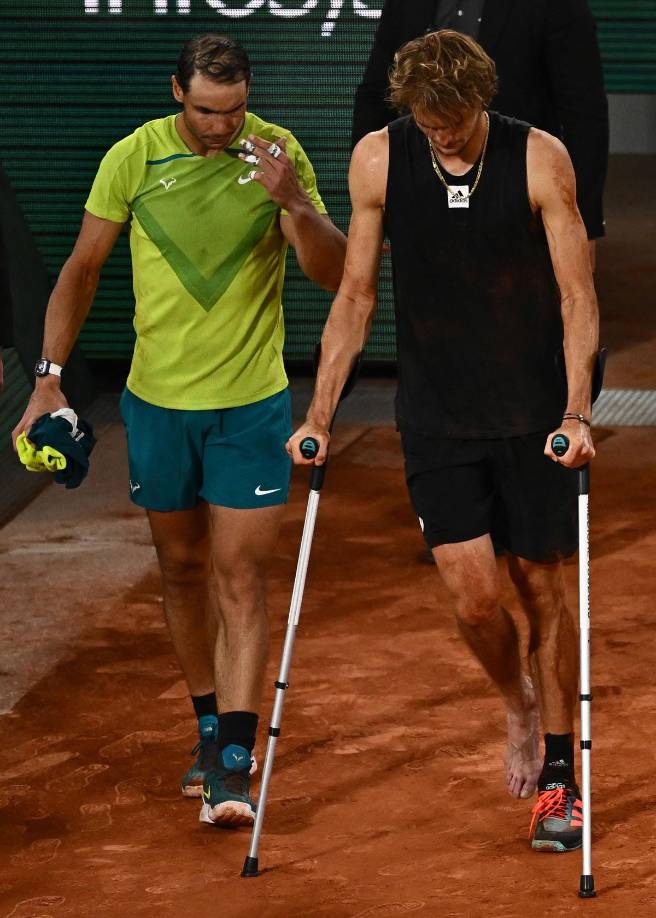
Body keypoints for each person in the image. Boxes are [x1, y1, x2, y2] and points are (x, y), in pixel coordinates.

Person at [12, 34, 346, 829]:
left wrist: (293, 200)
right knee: (183, 569)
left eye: (233, 110)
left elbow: (333, 273)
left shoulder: (279, 152)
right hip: (157, 407)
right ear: (177, 93)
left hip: (251, 405)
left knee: (239, 573)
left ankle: (235, 756)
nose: (221, 125)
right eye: (205, 110)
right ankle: (205, 726)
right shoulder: (132, 159)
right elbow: (82, 269)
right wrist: (48, 377)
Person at [289, 30, 598, 852]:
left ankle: (562, 777)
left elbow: (576, 294)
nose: (444, 132)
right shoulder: (378, 161)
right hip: (435, 413)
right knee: (472, 599)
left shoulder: (540, 159)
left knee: (545, 595)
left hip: (534, 416)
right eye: (428, 119)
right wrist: (319, 413)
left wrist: (575, 410)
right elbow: (355, 296)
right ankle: (517, 703)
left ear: (482, 98)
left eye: (455, 117)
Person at [352, 0, 608, 267]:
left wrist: (584, 221)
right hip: (424, 195)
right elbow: (375, 94)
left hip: (517, 191)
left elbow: (584, 112)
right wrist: (371, 202)